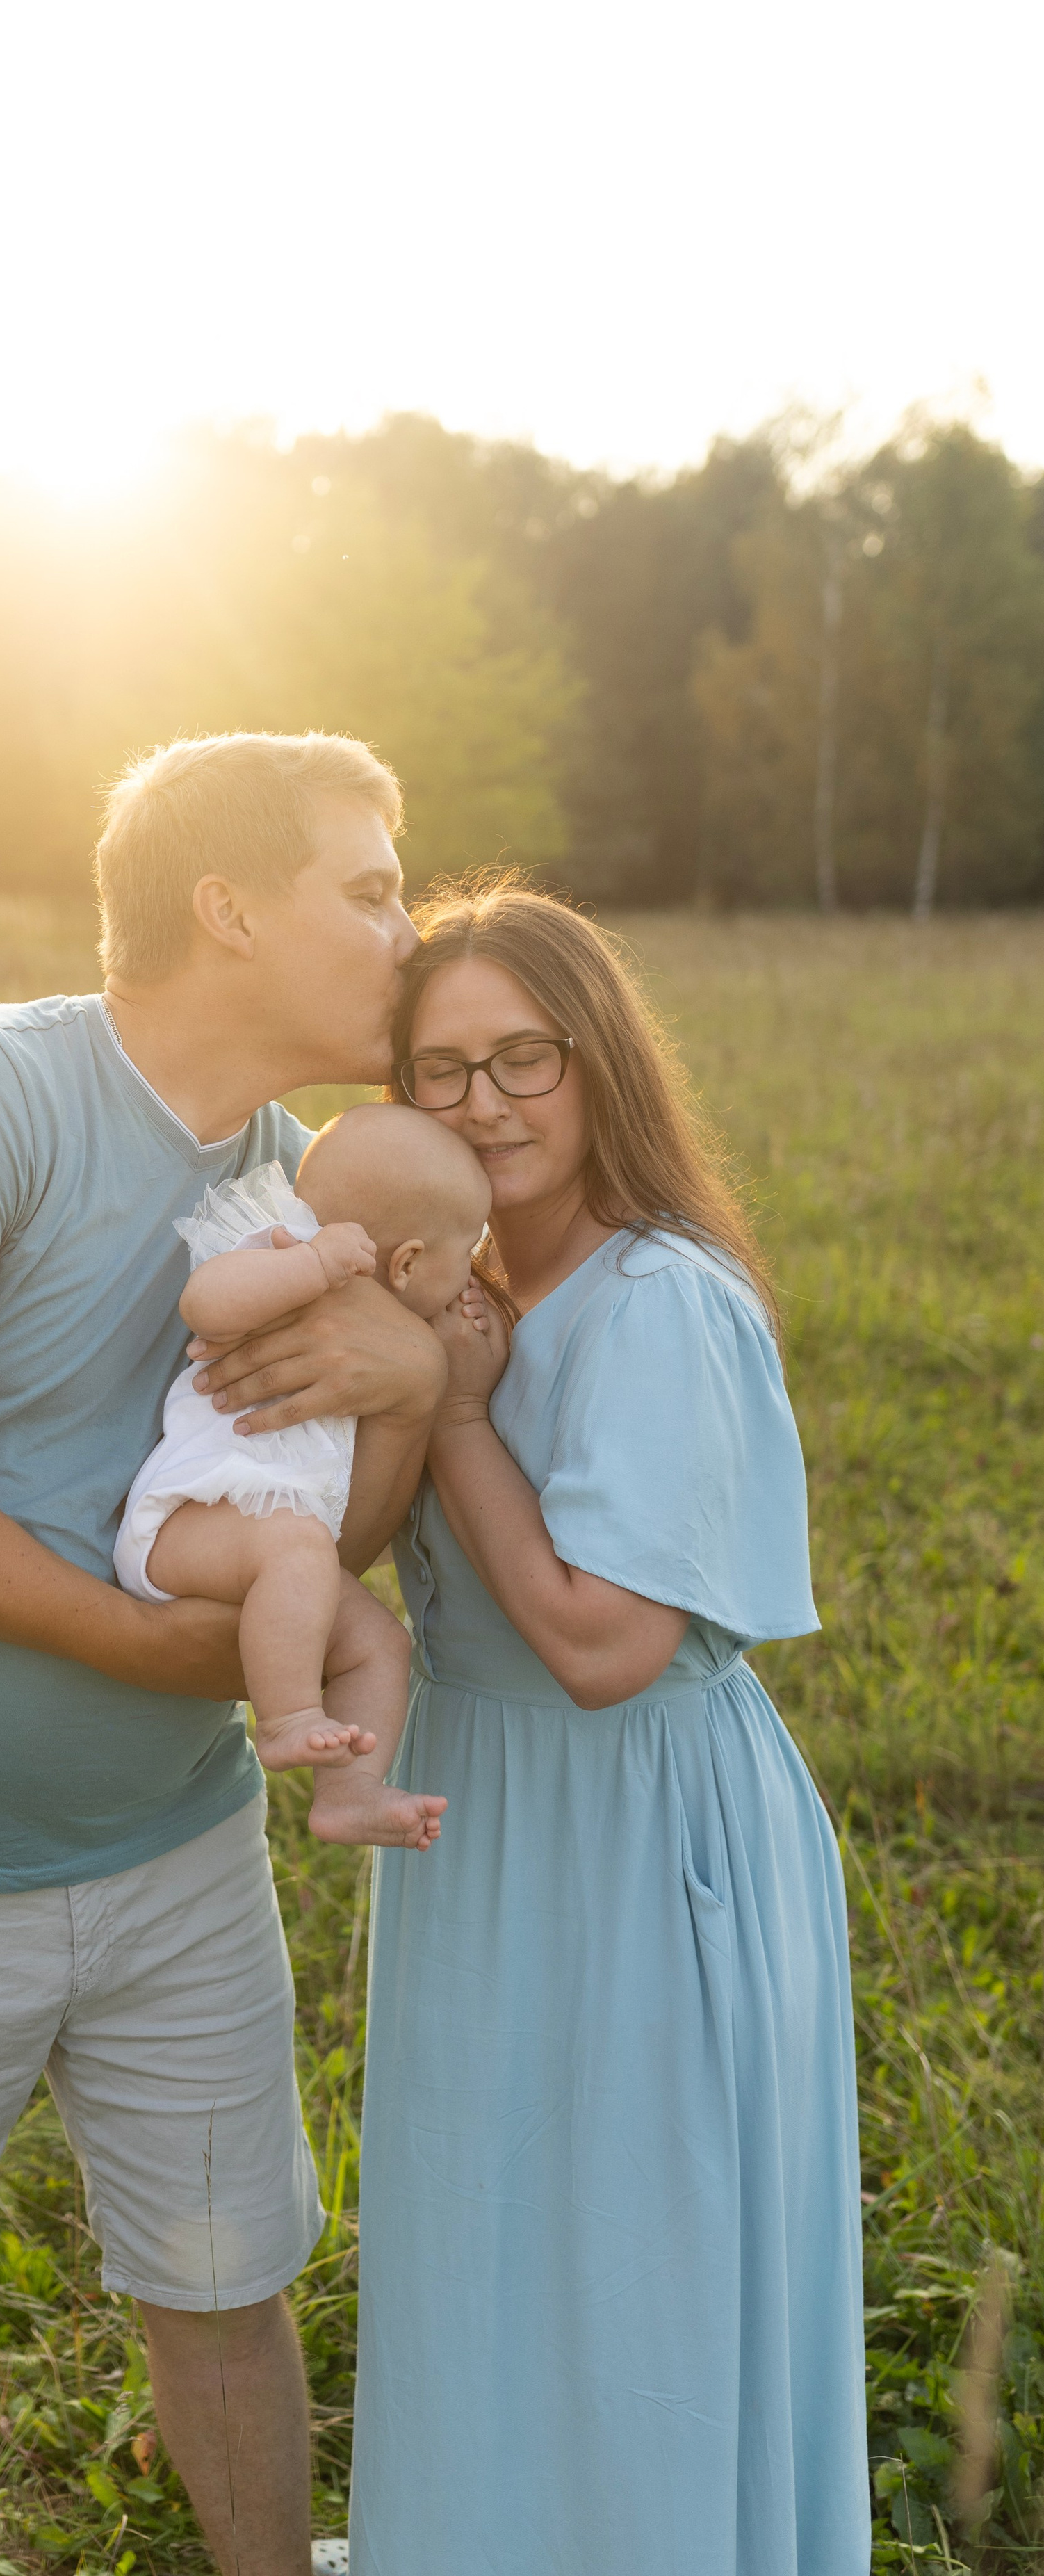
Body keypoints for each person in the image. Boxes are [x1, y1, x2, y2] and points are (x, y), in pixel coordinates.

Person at [0, 731, 450, 2576]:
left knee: (228, 2282)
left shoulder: (297, 1182)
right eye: (370, 889)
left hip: (177, 1855)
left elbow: (305, 1538)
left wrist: (412, 1386)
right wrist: (133, 1642)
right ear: (226, 909)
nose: (408, 930)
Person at [338, 874, 871, 2576]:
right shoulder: (457, 1291)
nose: (484, 1102)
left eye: (524, 1058)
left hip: (639, 1821)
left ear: (597, 1069)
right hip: (478, 1802)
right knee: (482, 2235)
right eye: (441, 1069)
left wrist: (462, 1413)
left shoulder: (658, 1302)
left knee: (634, 2260)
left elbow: (597, 1645)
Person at [116, 1105, 488, 1847]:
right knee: (297, 1549)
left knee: (379, 1643)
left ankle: (350, 1794)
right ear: (408, 1262)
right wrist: (311, 1266)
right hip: (187, 1522)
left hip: (276, 1546)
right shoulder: (283, 1248)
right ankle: (285, 1719)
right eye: (467, 1257)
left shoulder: (383, 1345)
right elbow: (206, 1301)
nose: (471, 1276)